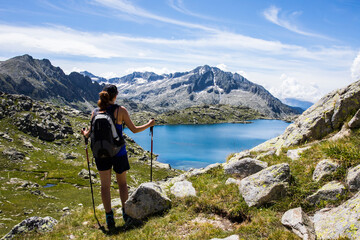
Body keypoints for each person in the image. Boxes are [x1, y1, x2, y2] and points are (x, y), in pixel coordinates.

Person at [81, 84, 155, 229]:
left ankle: (109, 217)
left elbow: (89, 133)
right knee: (122, 184)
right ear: (116, 95)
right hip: (119, 152)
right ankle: (125, 213)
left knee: (105, 186)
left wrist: (84, 134)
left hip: (101, 154)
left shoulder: (95, 112)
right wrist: (149, 124)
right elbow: (134, 129)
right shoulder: (120, 110)